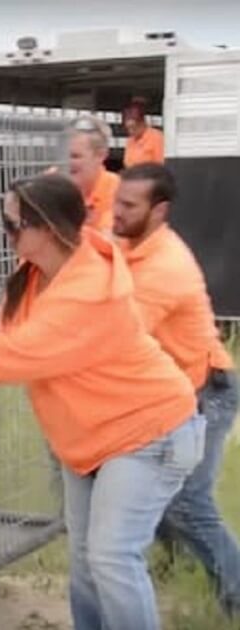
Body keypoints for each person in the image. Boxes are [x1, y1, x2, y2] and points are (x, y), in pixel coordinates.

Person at [0, 173, 204, 630]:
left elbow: (7, 353)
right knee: (86, 559)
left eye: (11, 225)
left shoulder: (85, 294)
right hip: (91, 438)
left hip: (148, 432)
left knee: (111, 557)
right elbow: (20, 347)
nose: (3, 233)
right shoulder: (38, 274)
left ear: (46, 229)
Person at [113, 162, 240, 617]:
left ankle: (237, 595)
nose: (117, 212)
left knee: (189, 501)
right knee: (157, 489)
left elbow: (121, 337)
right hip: (174, 392)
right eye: (117, 201)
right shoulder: (130, 244)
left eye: (129, 205)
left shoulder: (164, 265)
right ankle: (167, 570)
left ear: (159, 210)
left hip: (208, 391)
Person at [67, 115, 120, 234]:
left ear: (101, 155)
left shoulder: (118, 191)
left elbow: (108, 242)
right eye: (62, 155)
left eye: (75, 156)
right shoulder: (51, 182)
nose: (66, 163)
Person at [123, 99, 165, 168]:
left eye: (133, 127)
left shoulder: (157, 138)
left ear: (142, 122)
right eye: (128, 129)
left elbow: (161, 166)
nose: (131, 132)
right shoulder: (130, 141)